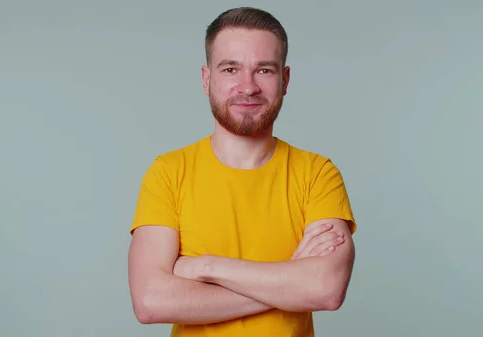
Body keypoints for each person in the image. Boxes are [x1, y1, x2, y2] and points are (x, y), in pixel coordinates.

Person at [127, 7, 357, 337]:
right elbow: (151, 302)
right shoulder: (167, 173)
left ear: (285, 79)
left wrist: (206, 267)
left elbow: (326, 289)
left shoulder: (318, 174)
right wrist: (289, 282)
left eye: (263, 70)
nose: (247, 87)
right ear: (207, 79)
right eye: (231, 68)